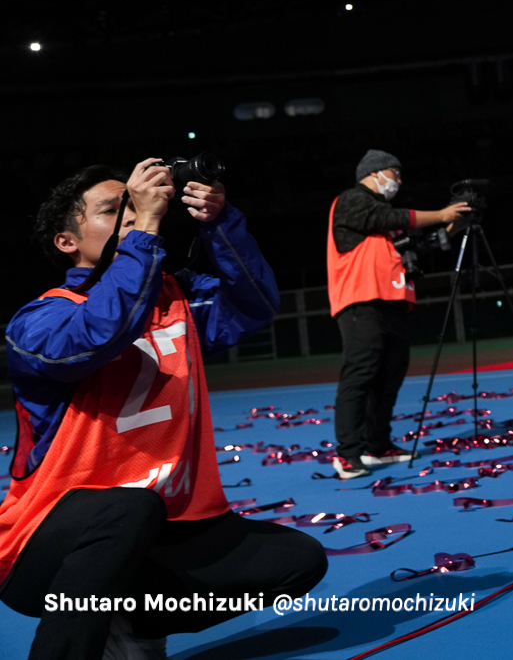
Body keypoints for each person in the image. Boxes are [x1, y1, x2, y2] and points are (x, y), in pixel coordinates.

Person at [0, 160, 327, 659]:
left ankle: (136, 624)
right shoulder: (41, 317)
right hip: (42, 548)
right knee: (129, 504)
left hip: (153, 530)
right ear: (68, 242)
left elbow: (255, 303)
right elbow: (96, 335)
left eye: (137, 204)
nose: (134, 214)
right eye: (115, 209)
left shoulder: (177, 300)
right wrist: (146, 229)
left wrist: (219, 221)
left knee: (296, 559)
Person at [326, 150, 471, 481]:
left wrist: (451, 227)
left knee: (389, 376)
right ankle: (347, 453)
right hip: (361, 301)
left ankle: (376, 446)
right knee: (360, 375)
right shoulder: (352, 201)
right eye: (395, 173)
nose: (399, 181)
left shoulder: (383, 217)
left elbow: (414, 250)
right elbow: (390, 219)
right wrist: (441, 213)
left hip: (392, 301)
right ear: (374, 173)